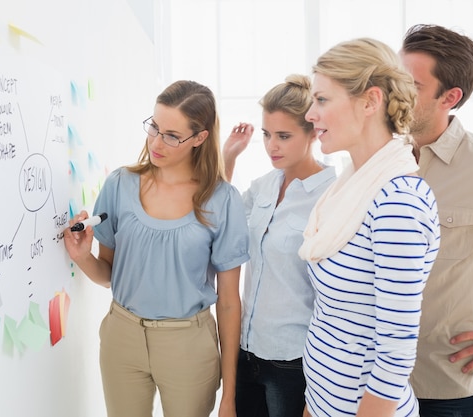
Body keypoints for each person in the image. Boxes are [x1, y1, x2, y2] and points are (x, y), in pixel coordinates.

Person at [63, 80, 250, 417]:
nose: (156, 142)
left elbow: (228, 302)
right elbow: (108, 274)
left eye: (171, 135)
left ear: (200, 138)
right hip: (122, 335)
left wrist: (230, 395)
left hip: (188, 345)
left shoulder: (222, 200)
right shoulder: (120, 184)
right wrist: (81, 257)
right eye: (154, 127)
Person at [299, 38, 441, 417]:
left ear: (370, 102)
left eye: (322, 100)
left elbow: (395, 350)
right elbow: (333, 319)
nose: (310, 114)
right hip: (325, 401)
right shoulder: (350, 187)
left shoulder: (397, 202)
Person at [399, 24, 473, 417]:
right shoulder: (374, 162)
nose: (394, 94)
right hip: (374, 385)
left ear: (450, 97)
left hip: (448, 391)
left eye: (410, 85)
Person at [222, 74, 336, 417]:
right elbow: (222, 223)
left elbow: (337, 301)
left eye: (284, 136)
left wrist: (320, 392)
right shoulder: (263, 186)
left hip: (294, 363)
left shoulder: (332, 195)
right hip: (247, 353)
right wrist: (228, 158)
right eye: (267, 134)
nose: (272, 146)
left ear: (313, 132)